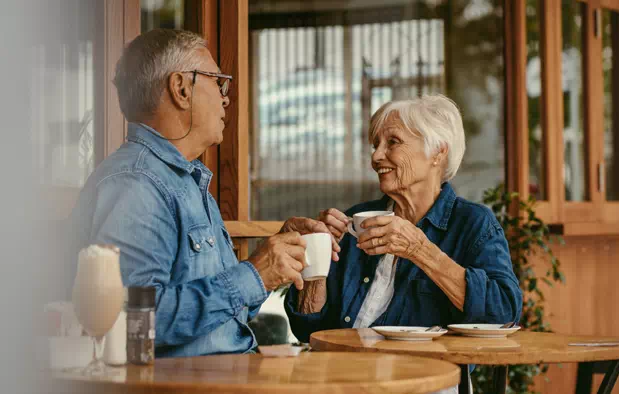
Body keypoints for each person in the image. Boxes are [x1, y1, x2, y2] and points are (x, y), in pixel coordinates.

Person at [70, 29, 338, 358]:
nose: (226, 97)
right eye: (217, 81)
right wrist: (254, 274)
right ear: (181, 88)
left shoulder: (184, 179)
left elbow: (223, 316)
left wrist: (268, 271)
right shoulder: (136, 184)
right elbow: (131, 322)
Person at [285, 95, 522, 379]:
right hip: (342, 377)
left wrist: (421, 250)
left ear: (438, 152)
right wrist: (318, 260)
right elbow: (308, 331)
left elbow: (504, 313)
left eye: (392, 142)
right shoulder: (356, 220)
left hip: (423, 383)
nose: (375, 157)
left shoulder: (472, 223)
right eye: (375, 146)